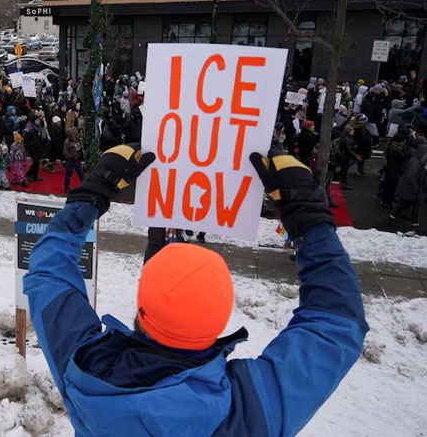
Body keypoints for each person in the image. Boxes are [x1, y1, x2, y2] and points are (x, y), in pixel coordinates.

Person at [23, 145, 367, 436]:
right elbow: (336, 324)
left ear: (142, 305)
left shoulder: (84, 370)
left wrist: (90, 196)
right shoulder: (253, 409)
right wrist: (308, 219)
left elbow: (49, 273)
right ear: (219, 322)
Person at [388, 144, 427, 228]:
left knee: (405, 203)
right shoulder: (416, 163)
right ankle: (415, 222)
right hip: (411, 188)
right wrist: (417, 188)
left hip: (408, 188)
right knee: (415, 204)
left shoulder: (416, 159)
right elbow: (411, 176)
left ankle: (393, 216)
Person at [63, 127, 85, 192]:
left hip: (77, 160)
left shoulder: (77, 139)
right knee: (68, 175)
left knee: (81, 174)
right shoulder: (67, 141)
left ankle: (84, 186)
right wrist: (70, 156)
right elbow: (65, 151)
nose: (76, 134)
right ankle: (66, 188)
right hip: (70, 161)